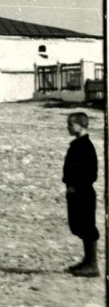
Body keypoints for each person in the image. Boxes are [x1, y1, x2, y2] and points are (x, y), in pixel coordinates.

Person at [62, 112, 99, 277]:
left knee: (86, 226)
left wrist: (76, 186)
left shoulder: (86, 146)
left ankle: (92, 265)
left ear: (82, 124)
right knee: (78, 225)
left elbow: (91, 173)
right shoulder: (77, 144)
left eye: (71, 124)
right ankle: (87, 261)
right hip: (76, 192)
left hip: (83, 193)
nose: (68, 127)